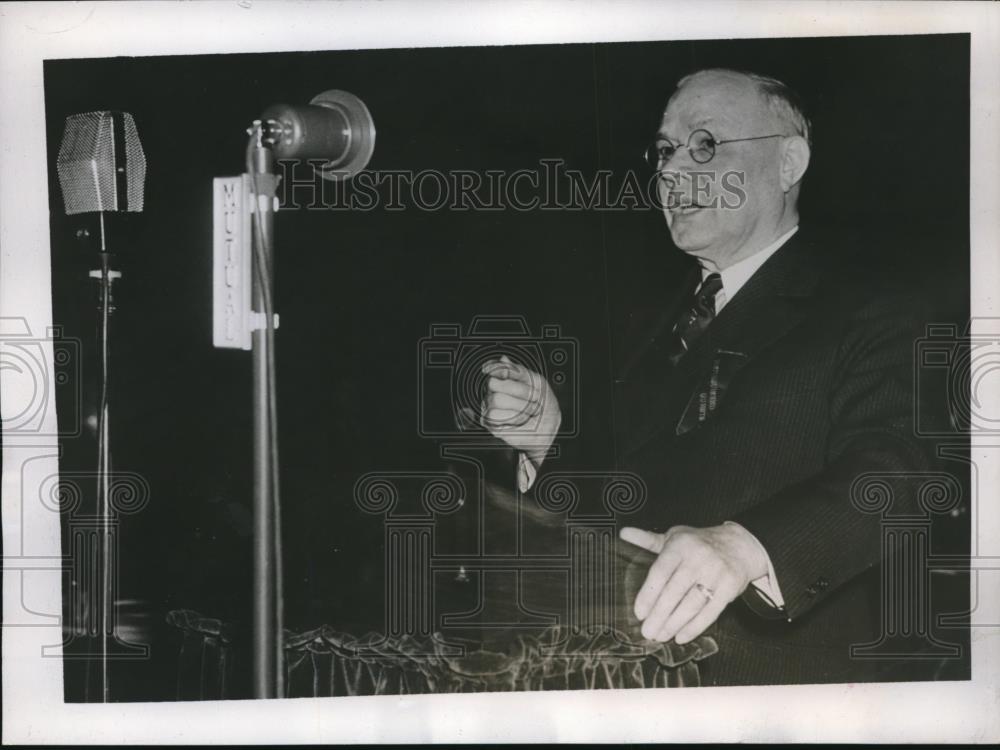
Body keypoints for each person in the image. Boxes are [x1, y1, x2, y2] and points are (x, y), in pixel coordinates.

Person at [479, 68, 929, 685]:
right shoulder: (642, 323)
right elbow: (620, 507)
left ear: (788, 162)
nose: (669, 171)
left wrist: (747, 546)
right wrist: (549, 445)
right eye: (665, 150)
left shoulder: (872, 303)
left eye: (705, 145)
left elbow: (900, 471)